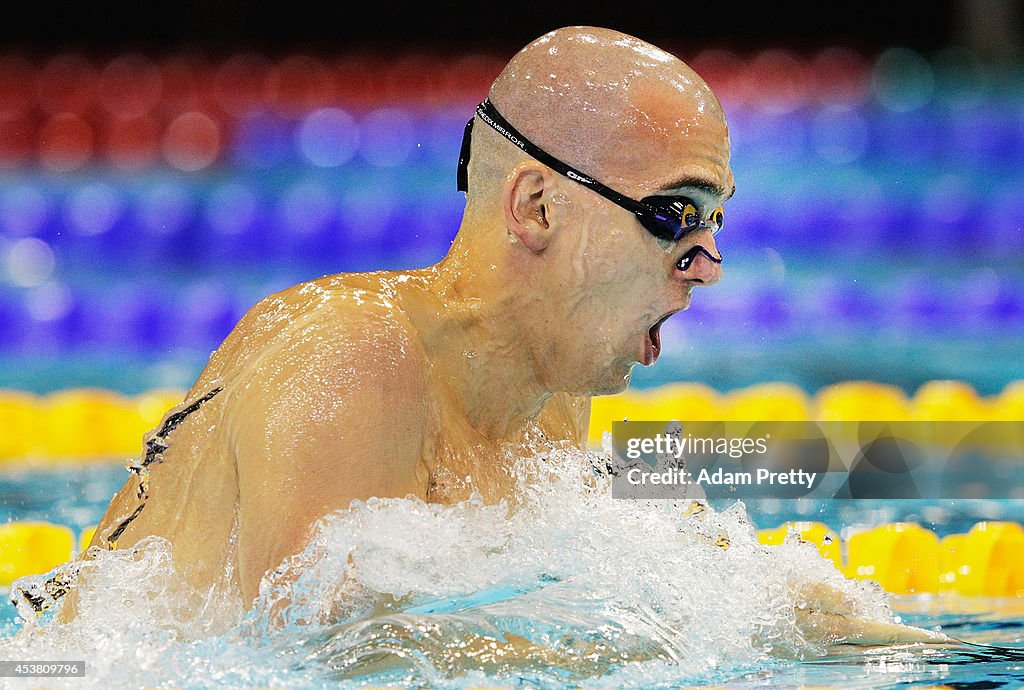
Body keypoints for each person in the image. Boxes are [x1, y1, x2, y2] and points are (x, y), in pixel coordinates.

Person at [20, 25, 943, 651]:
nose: (706, 263)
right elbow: (316, 658)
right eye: (674, 214)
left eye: (714, 223)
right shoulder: (351, 357)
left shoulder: (550, 393)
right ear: (537, 205)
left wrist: (774, 604)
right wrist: (655, 641)